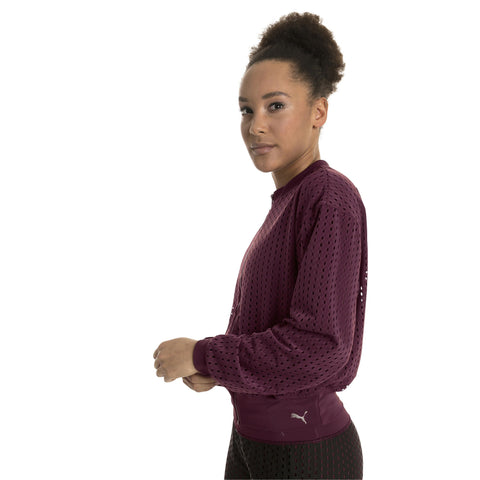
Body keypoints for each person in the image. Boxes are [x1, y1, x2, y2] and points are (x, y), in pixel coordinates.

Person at [153, 12, 368, 479]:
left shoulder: (328, 196)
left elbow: (319, 347)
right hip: (253, 442)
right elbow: (273, 330)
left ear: (319, 112)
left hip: (306, 455)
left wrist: (204, 354)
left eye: (275, 106)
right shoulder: (288, 201)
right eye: (246, 110)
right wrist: (219, 370)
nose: (255, 126)